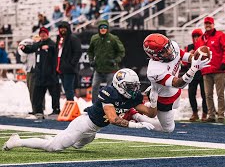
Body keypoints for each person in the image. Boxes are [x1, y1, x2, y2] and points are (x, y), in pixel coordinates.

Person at [2, 68, 156, 152]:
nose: (134, 90)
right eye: (130, 87)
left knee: (76, 146)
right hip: (84, 124)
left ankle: (55, 137)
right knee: (54, 147)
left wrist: (154, 98)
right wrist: (135, 125)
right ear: (120, 85)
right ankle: (18, 141)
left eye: (135, 86)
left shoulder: (131, 97)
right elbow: (113, 118)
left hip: (94, 131)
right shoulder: (109, 93)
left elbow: (151, 113)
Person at [130, 33, 210, 133]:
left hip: (174, 91)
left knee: (175, 106)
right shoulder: (155, 70)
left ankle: (151, 97)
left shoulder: (173, 46)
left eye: (168, 47)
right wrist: (194, 69)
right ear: (154, 56)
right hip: (164, 98)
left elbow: (185, 56)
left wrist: (198, 58)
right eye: (163, 51)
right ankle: (136, 116)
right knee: (168, 129)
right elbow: (179, 83)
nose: (169, 51)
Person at [194, 16, 225, 123]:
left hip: (219, 69)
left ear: (213, 24)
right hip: (206, 70)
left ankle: (220, 115)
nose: (208, 25)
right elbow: (197, 53)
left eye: (209, 23)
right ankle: (211, 115)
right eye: (206, 23)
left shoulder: (221, 35)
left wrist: (224, 62)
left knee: (220, 94)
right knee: (208, 94)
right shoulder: (201, 39)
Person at [19, 27, 61, 119]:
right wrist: (24, 48)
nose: (42, 35)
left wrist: (48, 47)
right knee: (38, 94)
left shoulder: (51, 43)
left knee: (54, 94)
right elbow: (31, 48)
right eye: (41, 33)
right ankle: (38, 111)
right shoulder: (39, 44)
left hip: (51, 75)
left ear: (47, 34)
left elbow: (56, 48)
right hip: (40, 75)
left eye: (44, 33)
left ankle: (56, 110)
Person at [88, 20, 125, 104]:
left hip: (111, 69)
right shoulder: (94, 38)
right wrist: (91, 60)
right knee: (94, 87)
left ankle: (110, 106)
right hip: (98, 69)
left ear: (108, 28)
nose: (103, 29)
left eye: (105, 27)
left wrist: (115, 60)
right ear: (98, 28)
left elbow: (121, 51)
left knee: (110, 89)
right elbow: (90, 51)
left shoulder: (113, 38)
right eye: (101, 27)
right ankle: (95, 105)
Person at [185, 29, 208, 122]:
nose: (196, 38)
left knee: (204, 94)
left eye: (198, 36)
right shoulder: (189, 47)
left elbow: (208, 59)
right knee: (191, 94)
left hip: (203, 73)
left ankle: (205, 113)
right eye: (194, 36)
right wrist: (189, 55)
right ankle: (195, 112)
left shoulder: (205, 47)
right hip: (192, 73)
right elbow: (184, 62)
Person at [56, 21, 82, 101]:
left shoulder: (73, 38)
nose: (62, 30)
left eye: (64, 28)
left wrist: (71, 64)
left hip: (69, 69)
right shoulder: (59, 38)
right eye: (61, 28)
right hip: (60, 68)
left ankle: (71, 105)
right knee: (65, 88)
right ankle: (69, 106)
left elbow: (78, 52)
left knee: (68, 88)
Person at [18, 35, 43, 114]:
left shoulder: (40, 47)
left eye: (37, 37)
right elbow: (23, 60)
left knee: (39, 90)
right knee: (31, 90)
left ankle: (40, 108)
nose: (35, 39)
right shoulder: (29, 48)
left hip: (39, 71)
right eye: (34, 38)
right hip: (30, 71)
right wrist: (22, 51)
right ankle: (34, 108)